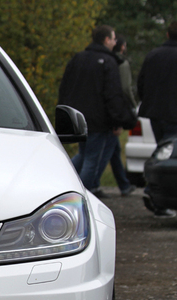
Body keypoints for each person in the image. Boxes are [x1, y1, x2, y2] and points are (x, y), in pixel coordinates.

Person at [58, 25, 136, 198]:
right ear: (106, 40)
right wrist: (120, 119)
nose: (115, 42)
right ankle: (79, 196)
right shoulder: (108, 62)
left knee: (82, 154)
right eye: (114, 38)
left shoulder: (78, 58)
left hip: (77, 117)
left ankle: (61, 182)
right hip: (98, 119)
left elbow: (65, 87)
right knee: (91, 160)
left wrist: (64, 112)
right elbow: (112, 94)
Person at [137, 21, 177, 217]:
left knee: (162, 151)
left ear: (168, 34)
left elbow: (141, 83)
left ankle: (156, 195)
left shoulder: (153, 55)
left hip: (155, 113)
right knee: (169, 155)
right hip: (174, 115)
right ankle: (154, 193)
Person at [95, 34, 136, 197]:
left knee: (113, 149)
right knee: (106, 149)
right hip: (114, 110)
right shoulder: (120, 63)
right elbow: (124, 89)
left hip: (105, 109)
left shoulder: (103, 60)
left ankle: (123, 184)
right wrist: (130, 107)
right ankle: (93, 183)